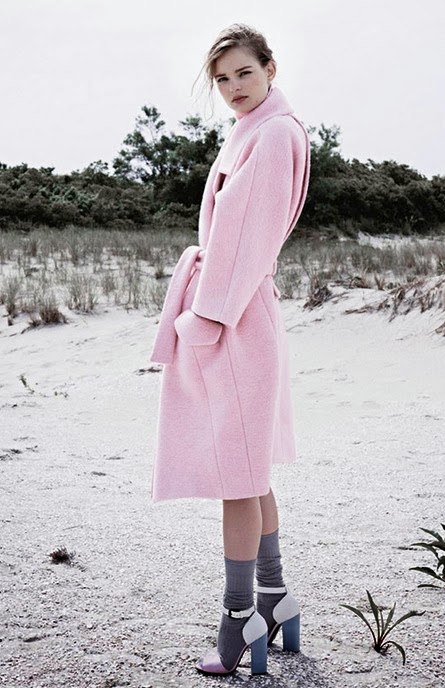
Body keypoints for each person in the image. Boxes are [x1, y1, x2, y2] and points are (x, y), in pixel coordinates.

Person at [149, 23, 310, 676]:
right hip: (243, 312)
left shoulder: (271, 135)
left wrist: (206, 317)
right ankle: (273, 598)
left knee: (235, 478)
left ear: (271, 68)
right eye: (222, 78)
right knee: (250, 470)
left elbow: (246, 237)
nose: (233, 87)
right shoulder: (259, 129)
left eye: (244, 72)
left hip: (234, 316)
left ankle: (239, 617)